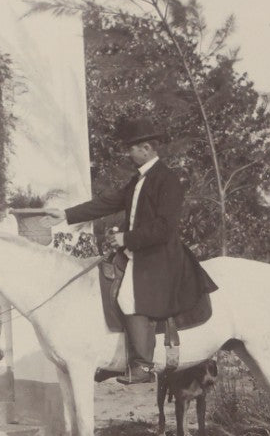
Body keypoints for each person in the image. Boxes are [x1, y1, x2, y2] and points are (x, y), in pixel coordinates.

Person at [61, 118, 216, 384]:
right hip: (137, 252)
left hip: (160, 257)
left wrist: (125, 238)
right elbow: (108, 203)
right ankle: (117, 357)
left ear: (146, 148)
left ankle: (143, 364)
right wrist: (65, 214)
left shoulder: (168, 181)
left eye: (131, 148)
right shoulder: (137, 181)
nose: (127, 153)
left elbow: (164, 229)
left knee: (128, 297)